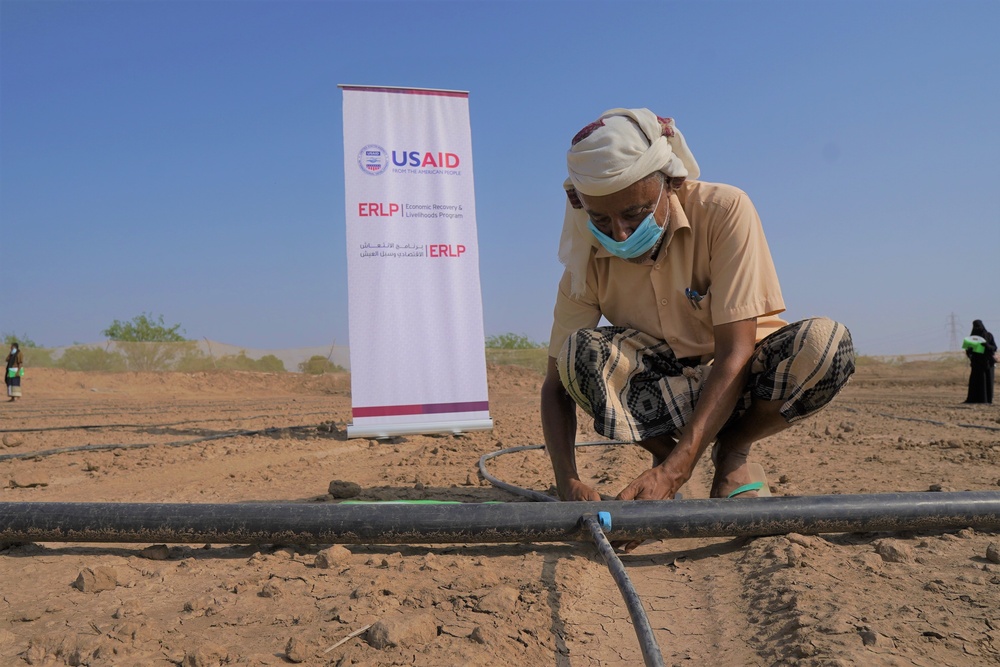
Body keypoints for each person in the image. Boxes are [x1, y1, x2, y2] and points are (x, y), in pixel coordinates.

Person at [540, 108, 856, 532]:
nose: (619, 234)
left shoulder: (724, 210)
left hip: (740, 379)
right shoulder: (587, 259)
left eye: (633, 215)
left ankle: (732, 448)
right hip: (662, 393)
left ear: (669, 183)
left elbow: (736, 352)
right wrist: (568, 483)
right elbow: (555, 386)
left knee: (827, 344)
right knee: (577, 355)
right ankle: (670, 450)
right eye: (601, 219)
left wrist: (673, 474)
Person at [963, 320, 996, 404]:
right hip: (976, 363)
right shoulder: (971, 338)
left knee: (987, 381)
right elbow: (968, 351)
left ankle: (986, 400)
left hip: (988, 363)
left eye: (978, 326)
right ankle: (973, 399)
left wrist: (986, 345)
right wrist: (970, 351)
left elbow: (994, 347)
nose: (977, 328)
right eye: (975, 326)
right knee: (976, 381)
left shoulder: (988, 335)